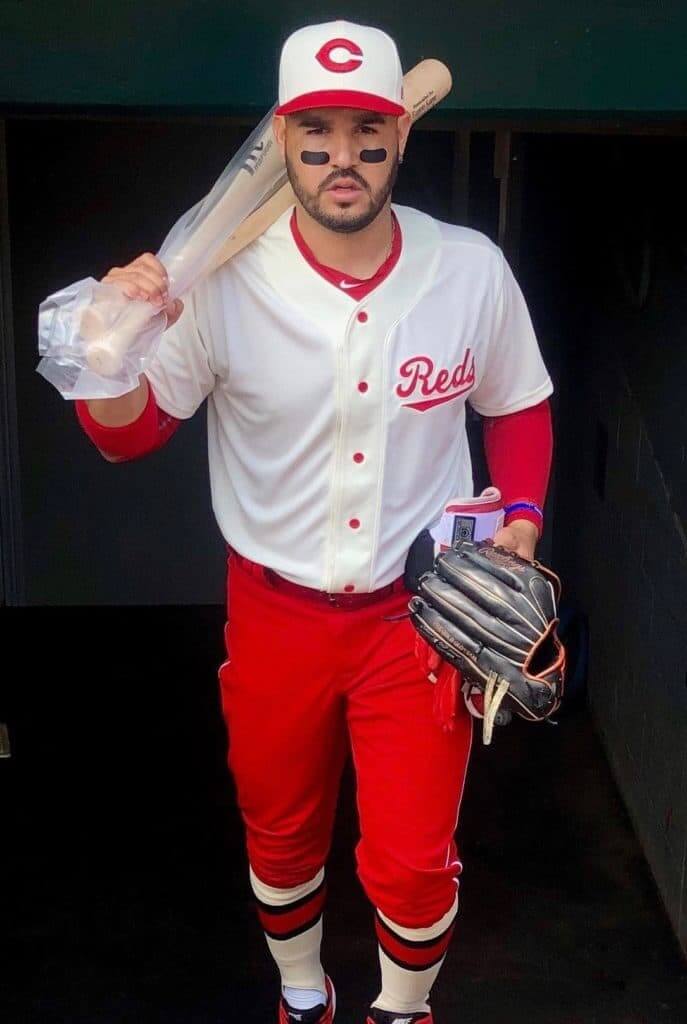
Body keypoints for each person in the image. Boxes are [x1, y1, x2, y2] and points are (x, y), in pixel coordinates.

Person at [74, 20, 553, 1024]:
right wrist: (105, 355)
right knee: (281, 833)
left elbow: (517, 400)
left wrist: (521, 513)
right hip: (276, 609)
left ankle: (403, 1008)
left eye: (367, 131)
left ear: (398, 138)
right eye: (318, 132)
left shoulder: (467, 269)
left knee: (415, 859)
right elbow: (129, 434)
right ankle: (302, 994)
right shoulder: (220, 280)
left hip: (413, 620)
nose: (345, 155)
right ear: (284, 140)